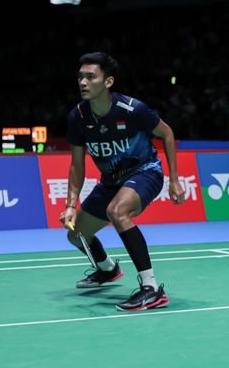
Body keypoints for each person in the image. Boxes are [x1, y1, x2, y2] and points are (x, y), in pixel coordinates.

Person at [60, 51, 185, 312]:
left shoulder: (132, 109)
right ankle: (107, 269)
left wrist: (174, 180)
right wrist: (71, 204)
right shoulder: (78, 118)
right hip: (110, 182)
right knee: (76, 235)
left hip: (144, 172)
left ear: (108, 82)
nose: (83, 82)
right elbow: (77, 165)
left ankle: (150, 289)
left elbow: (167, 134)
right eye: (80, 77)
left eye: (91, 77)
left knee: (117, 211)